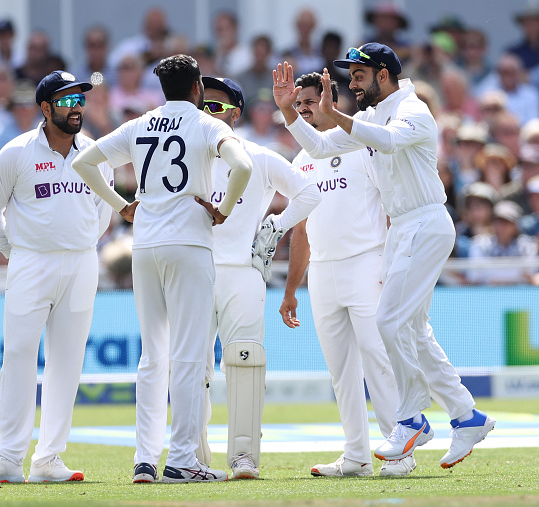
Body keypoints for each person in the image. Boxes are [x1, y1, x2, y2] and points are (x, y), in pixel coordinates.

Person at [272, 42, 495, 469]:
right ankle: (467, 415)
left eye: (359, 75)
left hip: (426, 223)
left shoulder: (413, 109)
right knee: (414, 330)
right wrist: (288, 112)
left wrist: (336, 115)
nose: (352, 83)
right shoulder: (370, 116)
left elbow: (390, 142)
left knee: (389, 321)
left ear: (384, 74)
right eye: (350, 75)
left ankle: (410, 420)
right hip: (404, 228)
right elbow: (319, 148)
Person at [72, 54, 253, 483]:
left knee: (152, 356)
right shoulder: (209, 124)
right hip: (188, 242)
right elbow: (242, 166)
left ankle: (145, 460)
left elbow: (84, 164)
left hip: (146, 244)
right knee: (189, 355)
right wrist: (223, 209)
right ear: (196, 90)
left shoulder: (141, 124)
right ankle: (184, 460)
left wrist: (122, 207)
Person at [0, 70, 114, 483]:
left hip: (82, 263)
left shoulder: (96, 153)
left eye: (79, 99)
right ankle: (8, 459)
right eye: (66, 101)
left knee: (67, 362)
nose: (76, 107)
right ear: (45, 108)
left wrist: (81, 242)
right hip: (31, 262)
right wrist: (17, 252)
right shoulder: (16, 152)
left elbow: (104, 211)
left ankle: (49, 459)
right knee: (19, 357)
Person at [279, 71, 414, 478]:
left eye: (311, 100)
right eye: (298, 103)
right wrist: (290, 291)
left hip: (366, 263)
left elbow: (391, 210)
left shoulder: (362, 143)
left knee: (378, 359)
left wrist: (391, 269)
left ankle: (400, 452)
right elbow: (300, 230)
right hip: (323, 271)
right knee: (341, 370)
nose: (304, 108)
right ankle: (356, 454)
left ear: (330, 99)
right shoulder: (301, 159)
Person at [197, 76, 320, 479]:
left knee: (245, 362)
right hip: (194, 272)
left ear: (235, 112)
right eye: (201, 105)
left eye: (214, 106)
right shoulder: (185, 157)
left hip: (245, 273)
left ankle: (244, 457)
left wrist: (276, 225)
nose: (205, 113)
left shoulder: (259, 157)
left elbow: (310, 194)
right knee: (192, 366)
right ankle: (193, 457)